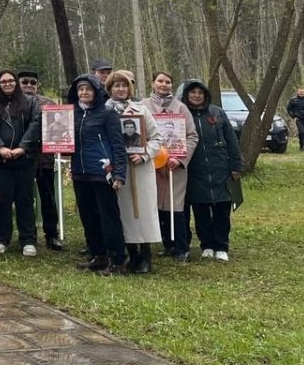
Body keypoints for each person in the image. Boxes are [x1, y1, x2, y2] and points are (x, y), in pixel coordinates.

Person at [68, 74, 128, 276]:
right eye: (80, 89)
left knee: (108, 217)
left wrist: (119, 173)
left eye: (88, 89)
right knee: (88, 216)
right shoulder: (72, 114)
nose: (84, 93)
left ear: (96, 91)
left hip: (103, 172)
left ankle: (117, 258)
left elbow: (118, 145)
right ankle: (98, 254)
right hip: (80, 172)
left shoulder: (107, 113)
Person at [103, 71, 161, 273]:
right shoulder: (104, 111)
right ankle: (131, 253)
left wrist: (144, 155)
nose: (121, 89)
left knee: (142, 209)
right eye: (116, 86)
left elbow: (157, 138)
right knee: (123, 210)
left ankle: (145, 255)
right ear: (110, 89)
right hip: (116, 169)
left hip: (139, 168)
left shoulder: (141, 110)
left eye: (124, 85)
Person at [0, 69, 41, 256]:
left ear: (16, 83)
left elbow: (35, 124)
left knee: (24, 199)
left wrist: (22, 147)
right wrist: (0, 147)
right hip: (0, 159)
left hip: (25, 159)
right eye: (3, 81)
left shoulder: (30, 103)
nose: (7, 84)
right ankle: (1, 238)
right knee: (2, 200)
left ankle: (28, 239)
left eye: (11, 81)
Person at [182, 79, 243, 262]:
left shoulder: (217, 113)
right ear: (187, 95)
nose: (196, 96)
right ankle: (207, 244)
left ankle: (222, 245)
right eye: (192, 92)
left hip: (220, 169)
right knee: (201, 211)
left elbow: (232, 141)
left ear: (205, 95)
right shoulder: (183, 115)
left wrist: (236, 165)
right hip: (195, 171)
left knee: (222, 210)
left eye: (200, 92)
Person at [141, 71, 198, 262]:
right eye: (160, 81)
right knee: (156, 205)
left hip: (175, 165)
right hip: (151, 165)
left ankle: (182, 247)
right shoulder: (143, 106)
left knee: (176, 206)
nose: (164, 85)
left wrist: (180, 159)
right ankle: (167, 244)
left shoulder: (180, 108)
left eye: (168, 82)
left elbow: (192, 136)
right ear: (153, 83)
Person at [17, 68, 62, 251]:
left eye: (32, 83)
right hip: (20, 157)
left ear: (38, 85)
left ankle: (52, 234)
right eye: (25, 82)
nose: (29, 85)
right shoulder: (11, 103)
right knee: (23, 197)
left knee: (48, 196)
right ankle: (27, 234)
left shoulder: (49, 104)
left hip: (44, 158)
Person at [286, 87, 304, 152]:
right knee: (302, 132)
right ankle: (301, 146)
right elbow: (289, 109)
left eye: (302, 92)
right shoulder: (293, 100)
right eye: (300, 92)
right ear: (297, 92)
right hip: (298, 119)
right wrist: (293, 116)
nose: (301, 93)